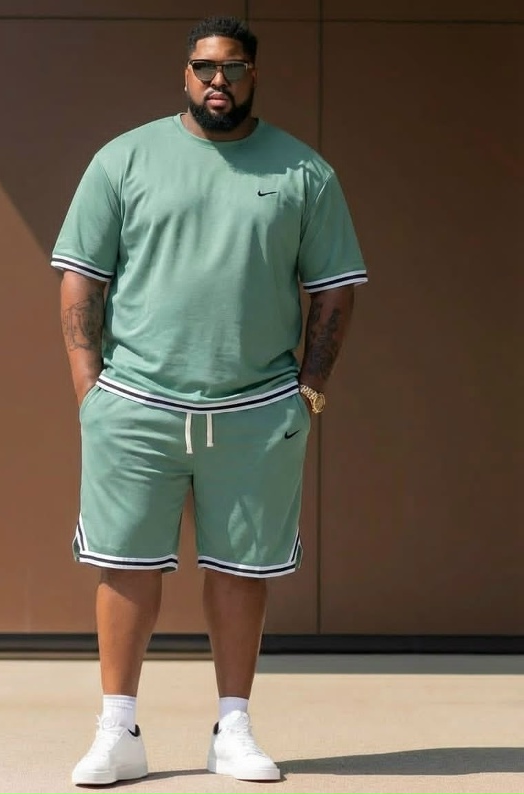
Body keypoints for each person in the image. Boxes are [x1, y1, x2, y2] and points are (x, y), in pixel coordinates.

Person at [51, 15, 367, 786]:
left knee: (240, 571)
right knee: (125, 565)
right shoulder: (124, 159)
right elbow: (81, 277)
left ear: (254, 74)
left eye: (232, 67)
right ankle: (118, 731)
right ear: (184, 73)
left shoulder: (303, 172)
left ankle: (234, 729)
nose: (217, 80)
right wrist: (90, 392)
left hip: (257, 409)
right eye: (204, 67)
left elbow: (334, 290)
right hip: (136, 402)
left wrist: (309, 392)